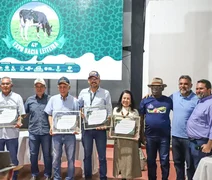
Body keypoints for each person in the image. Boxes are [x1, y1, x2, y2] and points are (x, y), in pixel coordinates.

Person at [78, 71, 112, 180]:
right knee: (87, 155)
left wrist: (105, 125)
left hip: (100, 129)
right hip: (87, 128)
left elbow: (109, 112)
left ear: (99, 80)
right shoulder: (83, 92)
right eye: (91, 79)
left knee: (102, 156)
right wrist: (80, 112)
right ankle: (87, 177)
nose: (93, 81)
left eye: (95, 79)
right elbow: (79, 107)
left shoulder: (105, 93)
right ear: (88, 80)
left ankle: (103, 177)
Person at [44, 76, 79, 180]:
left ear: (69, 87)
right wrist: (51, 126)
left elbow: (77, 116)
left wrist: (76, 127)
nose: (62, 89)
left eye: (65, 86)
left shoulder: (74, 101)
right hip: (56, 134)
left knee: (71, 158)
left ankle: (69, 177)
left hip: (70, 135)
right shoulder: (53, 99)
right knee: (56, 158)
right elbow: (49, 114)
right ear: (58, 88)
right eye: (61, 87)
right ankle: (57, 177)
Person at [139, 77, 173, 180]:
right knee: (150, 161)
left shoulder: (168, 101)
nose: (155, 89)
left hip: (164, 137)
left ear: (162, 88)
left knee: (164, 161)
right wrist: (141, 135)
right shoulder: (145, 101)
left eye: (158, 87)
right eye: (153, 86)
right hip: (149, 136)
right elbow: (140, 119)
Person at [171, 75, 198, 180]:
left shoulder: (196, 99)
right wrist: (149, 96)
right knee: (178, 163)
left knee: (190, 165)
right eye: (181, 83)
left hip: (189, 138)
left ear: (191, 85)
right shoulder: (174, 96)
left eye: (186, 84)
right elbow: (161, 102)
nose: (183, 86)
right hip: (175, 137)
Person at [25, 78, 52, 180]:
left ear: (45, 88)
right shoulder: (29, 100)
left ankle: (47, 174)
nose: (39, 88)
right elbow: (24, 114)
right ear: (34, 88)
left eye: (41, 86)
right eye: (37, 86)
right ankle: (34, 174)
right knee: (33, 154)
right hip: (33, 132)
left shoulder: (50, 99)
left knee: (47, 155)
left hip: (46, 132)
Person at [112, 90, 141, 179]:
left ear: (131, 100)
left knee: (129, 160)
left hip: (131, 140)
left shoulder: (134, 112)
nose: (126, 100)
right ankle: (122, 176)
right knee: (120, 159)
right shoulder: (115, 110)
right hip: (119, 140)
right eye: (124, 98)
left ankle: (128, 176)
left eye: (128, 98)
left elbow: (137, 126)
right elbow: (112, 125)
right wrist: (111, 134)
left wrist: (137, 135)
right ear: (121, 99)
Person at [0, 77, 25, 180]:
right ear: (0, 85)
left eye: (7, 84)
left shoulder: (17, 97)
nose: (5, 86)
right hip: (0, 134)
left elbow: (21, 114)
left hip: (12, 133)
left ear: (11, 85)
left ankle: (13, 178)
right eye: (3, 84)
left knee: (13, 159)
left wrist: (20, 121)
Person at [187, 79, 212, 169]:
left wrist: (209, 145)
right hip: (191, 141)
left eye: (201, 88)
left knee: (199, 170)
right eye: (197, 88)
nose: (198, 91)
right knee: (190, 168)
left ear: (209, 90)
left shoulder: (210, 104)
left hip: (201, 143)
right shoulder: (200, 101)